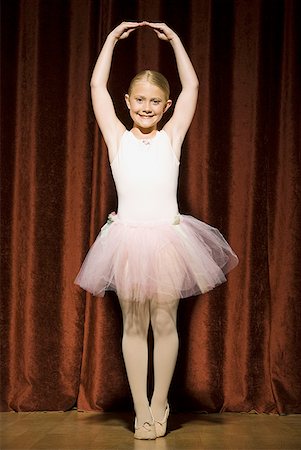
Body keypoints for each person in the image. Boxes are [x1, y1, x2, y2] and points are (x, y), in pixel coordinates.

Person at [75, 21, 238, 440]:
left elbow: (193, 87)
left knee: (164, 323)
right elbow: (96, 88)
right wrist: (109, 39)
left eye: (156, 101)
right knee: (133, 325)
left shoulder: (171, 138)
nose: (147, 107)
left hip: (167, 240)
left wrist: (178, 42)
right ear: (127, 102)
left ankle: (161, 401)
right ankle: (142, 408)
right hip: (127, 239)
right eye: (140, 100)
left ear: (166, 107)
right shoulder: (116, 138)